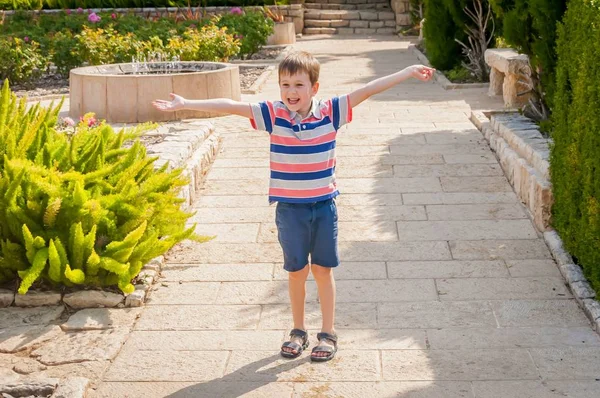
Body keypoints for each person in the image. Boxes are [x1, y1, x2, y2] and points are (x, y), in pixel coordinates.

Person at [153, 51, 435, 362]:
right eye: (285, 84)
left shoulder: (331, 111)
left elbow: (368, 89)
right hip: (289, 209)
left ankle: (327, 334)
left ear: (315, 88)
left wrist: (408, 70)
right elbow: (232, 106)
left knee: (323, 270)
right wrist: (186, 104)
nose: (291, 92)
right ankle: (298, 331)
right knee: (297, 271)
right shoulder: (274, 114)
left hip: (324, 207)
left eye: (299, 85)